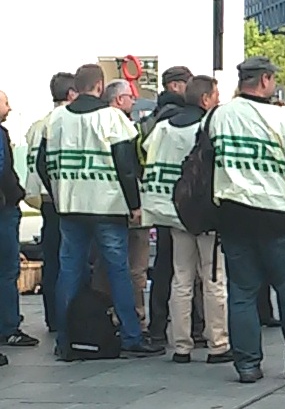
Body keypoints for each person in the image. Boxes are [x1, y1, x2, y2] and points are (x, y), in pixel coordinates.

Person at [208, 57, 285, 383]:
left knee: (242, 293)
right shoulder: (284, 119)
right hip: (278, 215)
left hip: (233, 214)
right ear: (265, 80)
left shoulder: (219, 116)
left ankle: (247, 365)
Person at [37, 64, 164, 358]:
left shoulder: (54, 120)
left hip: (69, 207)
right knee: (118, 270)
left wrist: (58, 192)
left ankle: (65, 338)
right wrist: (134, 204)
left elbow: (42, 164)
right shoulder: (113, 119)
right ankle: (132, 336)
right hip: (107, 207)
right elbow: (126, 165)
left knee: (69, 271)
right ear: (99, 86)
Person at [141, 75, 231, 364]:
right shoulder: (209, 125)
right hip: (204, 213)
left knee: (181, 278)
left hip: (171, 210)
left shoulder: (163, 127)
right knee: (213, 277)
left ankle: (181, 345)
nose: (218, 100)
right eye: (216, 95)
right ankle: (218, 343)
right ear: (205, 99)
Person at [138, 66, 204, 345]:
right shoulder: (188, 119)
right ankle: (196, 327)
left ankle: (157, 326)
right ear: (176, 86)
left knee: (166, 265)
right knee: (196, 268)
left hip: (159, 198)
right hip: (187, 200)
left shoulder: (153, 118)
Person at [92, 79, 150, 328]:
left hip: (99, 205)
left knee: (103, 266)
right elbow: (129, 168)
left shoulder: (91, 123)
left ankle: (102, 317)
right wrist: (135, 204)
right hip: (124, 203)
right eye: (130, 97)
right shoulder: (124, 127)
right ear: (118, 100)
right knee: (135, 265)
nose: (134, 101)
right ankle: (135, 319)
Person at [24, 73, 77, 333]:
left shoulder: (37, 125)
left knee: (52, 259)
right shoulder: (66, 122)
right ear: (71, 95)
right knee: (71, 259)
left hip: (44, 198)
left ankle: (53, 317)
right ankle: (70, 315)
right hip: (65, 196)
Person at [0, 90, 36, 349]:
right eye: (5, 102)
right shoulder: (0, 135)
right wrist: (16, 193)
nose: (10, 108)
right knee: (7, 270)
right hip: (3, 208)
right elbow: (3, 170)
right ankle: (9, 326)